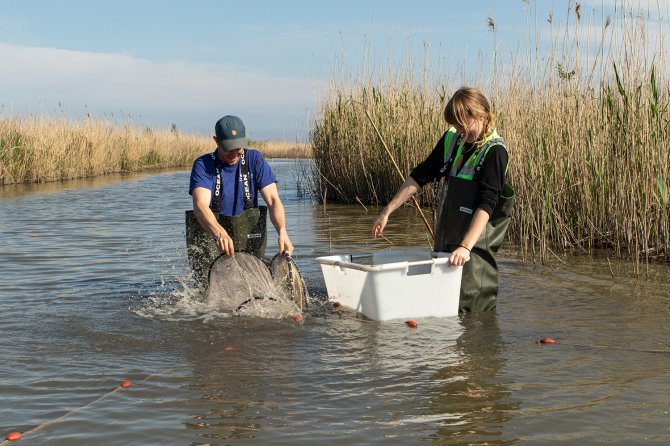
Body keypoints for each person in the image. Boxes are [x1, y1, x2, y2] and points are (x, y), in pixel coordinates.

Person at [371, 87, 515, 312]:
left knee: (469, 316)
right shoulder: (453, 138)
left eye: (462, 124)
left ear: (481, 115)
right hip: (446, 245)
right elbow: (422, 174)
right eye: (456, 125)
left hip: (473, 253)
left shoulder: (495, 151)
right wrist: (387, 211)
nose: (458, 130)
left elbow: (487, 203)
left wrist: (465, 247)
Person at [186, 115, 294, 288]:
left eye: (239, 148)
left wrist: (282, 230)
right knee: (211, 291)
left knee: (252, 286)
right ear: (216, 141)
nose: (235, 154)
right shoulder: (203, 164)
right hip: (212, 235)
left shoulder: (254, 159)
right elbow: (200, 205)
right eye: (229, 149)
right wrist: (219, 232)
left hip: (247, 233)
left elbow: (273, 200)